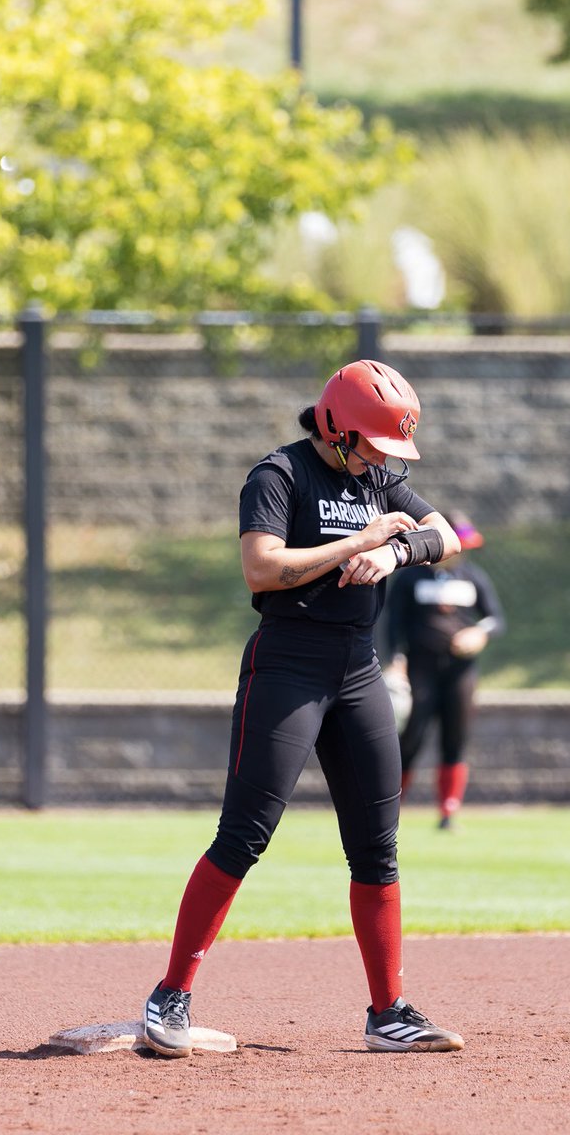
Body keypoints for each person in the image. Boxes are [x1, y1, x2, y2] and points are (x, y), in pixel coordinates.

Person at [141, 359, 466, 1058]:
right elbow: (262, 568)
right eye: (376, 443)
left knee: (378, 848)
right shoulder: (279, 476)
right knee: (244, 835)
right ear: (340, 429)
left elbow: (448, 538)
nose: (385, 459)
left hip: (358, 669)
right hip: (287, 664)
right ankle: (170, 993)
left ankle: (388, 1012)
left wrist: (400, 550)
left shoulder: (378, 476)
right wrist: (360, 542)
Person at [386, 511, 505, 830]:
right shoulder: (411, 577)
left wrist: (479, 633)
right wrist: (396, 658)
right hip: (419, 669)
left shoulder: (473, 576)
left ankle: (449, 811)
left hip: (460, 671)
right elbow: (392, 623)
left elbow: (495, 619)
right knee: (410, 739)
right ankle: (389, 810)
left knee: (456, 737)